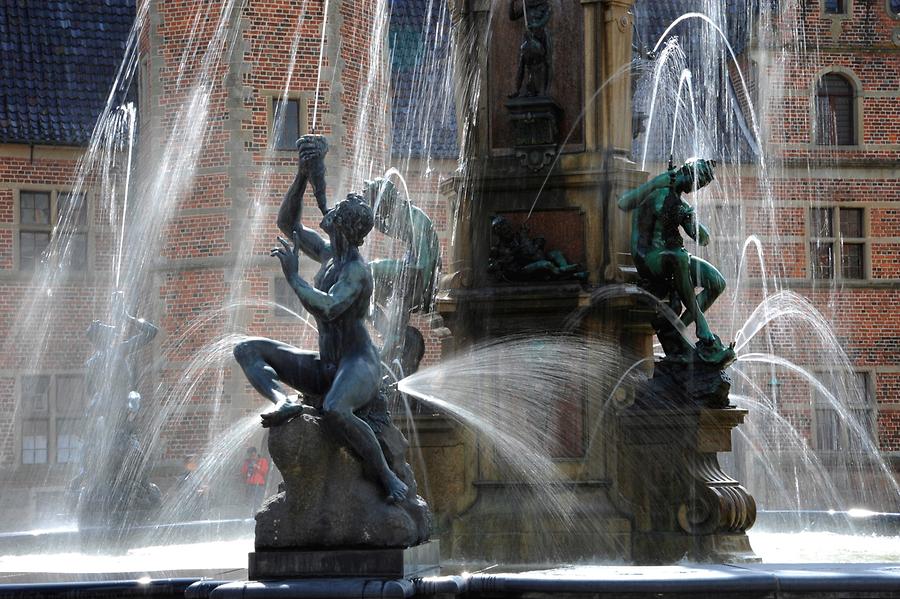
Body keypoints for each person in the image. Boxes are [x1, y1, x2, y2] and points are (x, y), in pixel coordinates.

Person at [233, 192, 409, 504]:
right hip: (327, 364)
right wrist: (302, 175)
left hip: (358, 364)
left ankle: (386, 475)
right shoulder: (329, 254)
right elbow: (288, 223)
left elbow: (328, 307)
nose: (330, 208)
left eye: (337, 209)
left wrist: (294, 278)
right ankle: (283, 401)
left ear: (342, 224)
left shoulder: (356, 270)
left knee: (336, 409)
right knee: (246, 349)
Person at [617, 158, 732, 363]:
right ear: (688, 172)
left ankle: (677, 327)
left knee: (717, 282)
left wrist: (691, 218)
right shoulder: (657, 191)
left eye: (702, 185)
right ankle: (701, 325)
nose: (697, 188)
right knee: (678, 258)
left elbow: (702, 239)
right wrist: (655, 182)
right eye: (698, 183)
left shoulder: (681, 203)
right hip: (648, 256)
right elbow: (623, 203)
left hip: (673, 256)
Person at [241, 447, 269, 515]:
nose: (252, 457)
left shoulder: (263, 461)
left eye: (253, 455)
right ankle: (247, 515)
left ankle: (257, 515)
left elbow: (264, 472)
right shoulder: (247, 462)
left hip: (259, 485)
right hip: (250, 484)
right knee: (248, 501)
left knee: (257, 502)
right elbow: (243, 473)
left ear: (256, 454)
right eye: (250, 456)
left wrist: (256, 467)